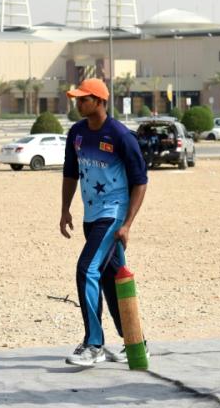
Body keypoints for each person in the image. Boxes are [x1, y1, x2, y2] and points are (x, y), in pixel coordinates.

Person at [60, 78, 148, 366]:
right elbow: (70, 174)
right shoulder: (77, 133)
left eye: (83, 99)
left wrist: (127, 224)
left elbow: (140, 182)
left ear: (99, 101)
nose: (78, 103)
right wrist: (65, 210)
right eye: (77, 98)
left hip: (112, 216)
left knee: (86, 270)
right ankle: (135, 341)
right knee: (112, 280)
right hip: (90, 216)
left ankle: (94, 344)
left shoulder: (121, 136)